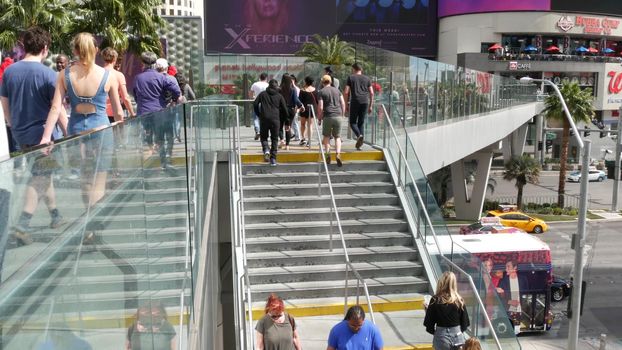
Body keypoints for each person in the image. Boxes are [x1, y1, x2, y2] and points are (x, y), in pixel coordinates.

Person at [41, 32, 124, 244]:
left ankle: (88, 229)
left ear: (75, 50)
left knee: (85, 182)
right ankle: (94, 226)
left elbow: (55, 108)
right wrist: (122, 134)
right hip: (102, 131)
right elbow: (118, 112)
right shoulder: (108, 76)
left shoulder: (65, 75)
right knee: (99, 182)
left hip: (77, 132)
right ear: (95, 50)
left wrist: (45, 137)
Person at [0, 26, 66, 245]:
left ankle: (55, 214)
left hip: (21, 134)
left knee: (42, 174)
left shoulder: (10, 72)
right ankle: (23, 224)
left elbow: (5, 102)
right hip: (43, 137)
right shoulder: (49, 75)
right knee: (40, 177)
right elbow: (57, 109)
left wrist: (11, 123)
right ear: (45, 48)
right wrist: (69, 132)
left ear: (24, 46)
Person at [133, 52, 181, 167]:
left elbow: (135, 95)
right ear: (154, 63)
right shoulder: (161, 77)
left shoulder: (138, 78)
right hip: (159, 112)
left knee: (147, 136)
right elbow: (176, 90)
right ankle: (163, 161)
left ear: (143, 63)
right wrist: (173, 100)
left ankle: (147, 162)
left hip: (143, 112)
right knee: (160, 138)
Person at [423, 271, 470, 350]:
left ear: (441, 283)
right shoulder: (459, 300)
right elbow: (465, 324)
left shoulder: (435, 300)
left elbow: (429, 326)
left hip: (441, 337)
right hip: (458, 337)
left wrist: (437, 334)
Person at [152, 58, 180, 170]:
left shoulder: (152, 79)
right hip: (169, 111)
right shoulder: (171, 78)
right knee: (170, 136)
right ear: (166, 68)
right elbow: (178, 93)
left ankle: (162, 158)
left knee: (159, 137)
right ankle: (168, 156)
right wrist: (173, 102)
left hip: (156, 112)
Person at [254, 79, 289, 167]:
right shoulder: (279, 96)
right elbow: (285, 109)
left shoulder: (262, 94)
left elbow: (255, 104)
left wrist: (259, 114)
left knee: (264, 137)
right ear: (276, 87)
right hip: (275, 119)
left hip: (264, 119)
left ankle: (266, 149)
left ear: (268, 86)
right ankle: (273, 159)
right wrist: (286, 121)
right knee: (274, 139)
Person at [343, 62, 374, 150]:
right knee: (361, 122)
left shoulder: (351, 77)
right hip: (365, 101)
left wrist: (346, 105)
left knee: (352, 122)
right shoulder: (367, 79)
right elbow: (371, 93)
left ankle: (359, 136)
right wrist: (371, 105)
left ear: (353, 69)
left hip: (355, 101)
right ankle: (360, 143)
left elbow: (346, 92)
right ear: (361, 69)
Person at [317, 74, 346, 167]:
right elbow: (343, 103)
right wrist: (343, 114)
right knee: (337, 137)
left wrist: (319, 117)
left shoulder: (321, 91)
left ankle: (328, 154)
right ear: (331, 82)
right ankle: (338, 154)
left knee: (326, 136)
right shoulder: (337, 90)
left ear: (322, 82)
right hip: (338, 115)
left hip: (328, 116)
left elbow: (320, 107)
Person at [101, 47, 135, 121]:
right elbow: (125, 97)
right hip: (115, 114)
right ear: (114, 59)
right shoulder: (118, 75)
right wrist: (132, 113)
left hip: (100, 114)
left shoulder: (97, 73)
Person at [278, 74, 304, 150]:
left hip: (281, 109)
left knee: (280, 127)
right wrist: (301, 106)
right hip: (290, 110)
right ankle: (287, 145)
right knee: (288, 127)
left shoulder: (279, 89)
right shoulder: (293, 89)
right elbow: (296, 100)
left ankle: (282, 140)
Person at [174, 72, 195, 142]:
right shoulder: (187, 86)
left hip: (176, 106)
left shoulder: (174, 85)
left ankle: (177, 136)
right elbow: (193, 97)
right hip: (185, 106)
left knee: (177, 121)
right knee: (186, 121)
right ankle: (187, 136)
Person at [297, 76, 318, 147]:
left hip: (304, 109)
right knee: (310, 125)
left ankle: (303, 139)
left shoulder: (302, 90)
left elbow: (300, 101)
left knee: (302, 124)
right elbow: (317, 101)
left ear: (306, 82)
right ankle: (309, 140)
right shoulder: (315, 90)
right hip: (312, 109)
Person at [250, 73, 269, 140]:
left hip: (256, 102)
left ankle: (257, 131)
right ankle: (263, 132)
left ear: (259, 77)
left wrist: (253, 97)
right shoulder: (267, 85)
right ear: (266, 78)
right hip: (265, 103)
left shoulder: (255, 84)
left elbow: (251, 94)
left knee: (255, 118)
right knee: (263, 118)